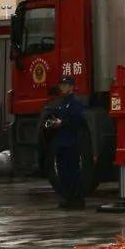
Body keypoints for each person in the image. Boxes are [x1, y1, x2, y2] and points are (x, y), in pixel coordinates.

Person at [45, 76, 88, 209]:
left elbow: (78, 121)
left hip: (71, 143)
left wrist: (62, 123)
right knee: (63, 172)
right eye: (61, 84)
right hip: (61, 143)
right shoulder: (61, 103)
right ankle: (68, 199)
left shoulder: (75, 102)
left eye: (65, 85)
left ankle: (78, 200)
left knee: (73, 172)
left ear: (71, 87)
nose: (62, 87)